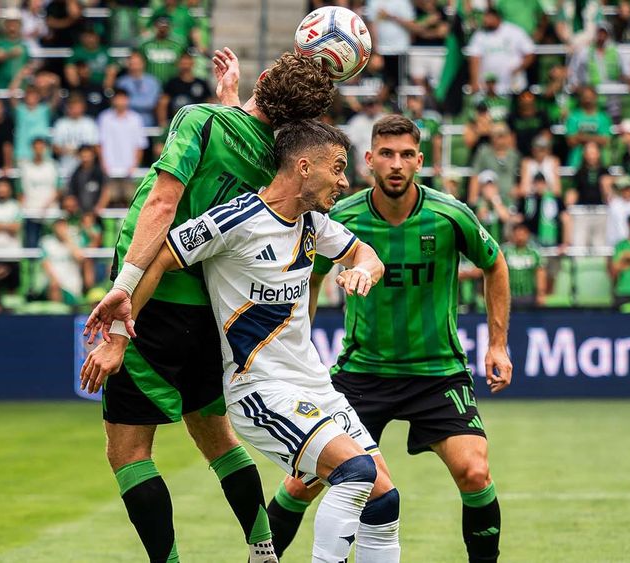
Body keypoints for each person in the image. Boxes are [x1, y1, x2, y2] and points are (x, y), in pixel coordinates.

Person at [84, 119, 397, 563]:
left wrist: (364, 269)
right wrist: (119, 330)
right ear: (304, 167)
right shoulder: (235, 220)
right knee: (355, 472)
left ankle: (263, 551)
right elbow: (160, 257)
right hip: (263, 389)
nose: (346, 180)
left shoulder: (314, 224)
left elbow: (366, 254)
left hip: (317, 386)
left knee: (385, 499)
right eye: (339, 167)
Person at [258, 115, 512, 562]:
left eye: (406, 155)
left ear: (420, 160)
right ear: (370, 160)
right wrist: (300, 354)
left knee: (475, 472)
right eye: (387, 155)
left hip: (437, 374)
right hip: (361, 375)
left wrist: (497, 344)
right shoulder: (341, 217)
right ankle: (260, 557)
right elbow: (309, 281)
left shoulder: (449, 215)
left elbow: (496, 264)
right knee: (303, 483)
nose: (396, 164)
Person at [466, 8, 535, 95]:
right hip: (488, 87)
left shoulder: (515, 31)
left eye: (488, 17)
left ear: (497, 17)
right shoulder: (479, 35)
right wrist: (474, 81)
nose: (485, 20)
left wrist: (518, 69)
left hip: (513, 85)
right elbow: (474, 58)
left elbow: (529, 53)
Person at [98, 90, 149, 205]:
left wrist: (134, 165)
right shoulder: (104, 118)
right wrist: (103, 163)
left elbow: (140, 145)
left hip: (129, 168)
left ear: (128, 100)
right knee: (109, 201)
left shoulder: (136, 119)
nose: (120, 102)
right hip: (109, 167)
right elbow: (100, 143)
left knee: (131, 201)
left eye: (123, 98)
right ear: (113, 100)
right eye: (118, 98)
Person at [20, 137, 62, 248]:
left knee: (52, 246)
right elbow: (20, 191)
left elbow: (59, 189)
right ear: (32, 148)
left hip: (50, 213)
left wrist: (46, 205)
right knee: (31, 247)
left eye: (41, 147)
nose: (38, 149)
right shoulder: (25, 167)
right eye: (36, 147)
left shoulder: (53, 165)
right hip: (31, 212)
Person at [469, 122, 521, 205]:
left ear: (508, 136)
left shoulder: (514, 155)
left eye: (501, 135)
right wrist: (473, 199)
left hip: (510, 199)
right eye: (494, 135)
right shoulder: (484, 153)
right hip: (488, 199)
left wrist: (518, 189)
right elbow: (475, 175)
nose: (498, 139)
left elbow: (521, 176)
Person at [518, 173, 572, 250]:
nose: (539, 185)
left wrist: (565, 243)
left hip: (552, 240)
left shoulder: (555, 199)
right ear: (533, 184)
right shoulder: (527, 200)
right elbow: (519, 218)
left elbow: (566, 218)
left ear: (545, 184)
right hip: (531, 241)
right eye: (537, 183)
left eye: (541, 183)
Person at [39, 218, 86, 304]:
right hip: (54, 284)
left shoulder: (76, 240)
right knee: (54, 286)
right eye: (58, 226)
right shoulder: (46, 241)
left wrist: (67, 239)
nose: (61, 229)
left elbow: (79, 258)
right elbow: (45, 263)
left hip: (72, 284)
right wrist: (55, 280)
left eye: (63, 226)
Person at [52, 94, 100, 178]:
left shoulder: (89, 124)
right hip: (66, 169)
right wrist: (65, 150)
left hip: (86, 170)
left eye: (78, 107)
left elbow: (95, 147)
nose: (75, 110)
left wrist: (79, 152)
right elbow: (55, 148)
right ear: (68, 108)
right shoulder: (61, 124)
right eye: (72, 107)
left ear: (83, 108)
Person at [564, 85, 612, 168]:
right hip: (577, 163)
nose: (588, 99)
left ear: (595, 97)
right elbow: (571, 141)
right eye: (585, 96)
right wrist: (596, 138)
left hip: (600, 165)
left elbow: (605, 141)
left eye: (590, 97)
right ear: (580, 98)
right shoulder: (573, 117)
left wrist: (580, 137)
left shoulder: (603, 117)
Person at [158, 52, 210, 127]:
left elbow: (209, 103)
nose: (185, 66)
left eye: (187, 63)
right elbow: (163, 103)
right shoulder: (172, 83)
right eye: (183, 63)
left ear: (193, 63)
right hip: (176, 123)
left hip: (197, 123)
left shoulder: (201, 83)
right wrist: (162, 123)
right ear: (178, 64)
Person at [505, 222, 547, 308]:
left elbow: (540, 273)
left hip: (529, 295)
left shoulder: (534, 253)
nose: (520, 237)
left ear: (527, 235)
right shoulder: (505, 252)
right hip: (509, 296)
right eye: (517, 234)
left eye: (522, 234)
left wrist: (541, 294)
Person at [117, 52, 163, 128]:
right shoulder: (121, 82)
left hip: (147, 121)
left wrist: (129, 102)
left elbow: (150, 103)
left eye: (137, 63)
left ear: (143, 64)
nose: (135, 67)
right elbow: (120, 103)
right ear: (128, 64)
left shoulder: (153, 81)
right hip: (125, 122)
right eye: (132, 63)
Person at [140, 17, 186, 85]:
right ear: (154, 27)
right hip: (150, 84)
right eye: (160, 27)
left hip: (172, 84)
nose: (162, 30)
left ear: (170, 28)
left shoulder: (178, 45)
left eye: (165, 27)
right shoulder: (145, 45)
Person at [0, 16, 31, 89]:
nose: (12, 28)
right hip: (1, 85)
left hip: (20, 87)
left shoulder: (24, 44)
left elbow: (28, 63)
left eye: (15, 24)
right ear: (5, 26)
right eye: (9, 24)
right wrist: (10, 54)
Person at [67, 145, 108, 213]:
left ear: (93, 156)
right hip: (81, 214)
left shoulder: (100, 172)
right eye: (83, 156)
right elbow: (71, 195)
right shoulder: (75, 174)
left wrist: (99, 207)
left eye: (88, 156)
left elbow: (106, 190)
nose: (85, 159)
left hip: (98, 214)